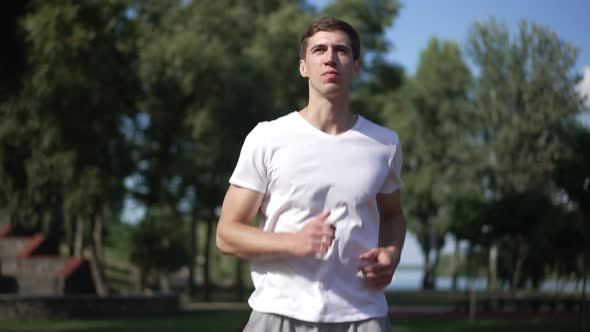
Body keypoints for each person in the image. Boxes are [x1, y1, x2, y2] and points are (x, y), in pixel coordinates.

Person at [216, 16, 406, 332]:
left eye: (341, 50)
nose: (330, 58)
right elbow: (227, 234)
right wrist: (294, 242)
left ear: (356, 67)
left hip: (364, 315)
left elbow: (392, 216)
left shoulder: (385, 143)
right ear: (303, 66)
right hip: (278, 313)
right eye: (319, 50)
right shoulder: (267, 137)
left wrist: (391, 252)